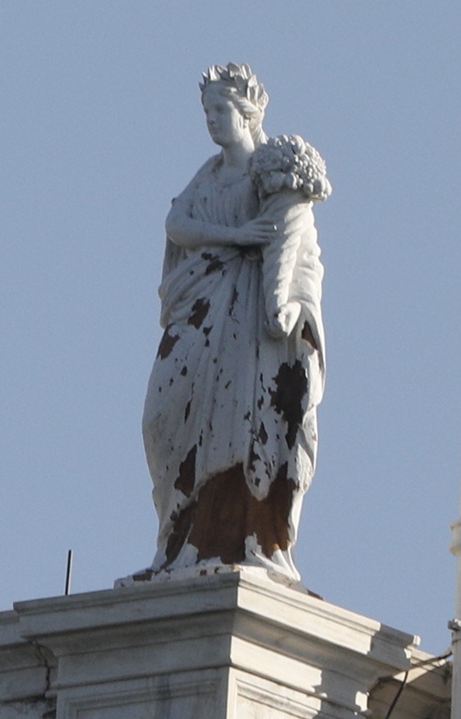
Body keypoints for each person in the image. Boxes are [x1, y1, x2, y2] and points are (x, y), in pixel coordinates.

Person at [139, 64, 329, 586]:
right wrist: (236, 237)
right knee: (161, 420)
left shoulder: (269, 175)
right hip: (199, 316)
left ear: (246, 117)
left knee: (246, 428)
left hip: (247, 329)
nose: (212, 122)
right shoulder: (208, 174)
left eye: (220, 111)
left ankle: (238, 536)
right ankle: (175, 538)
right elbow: (176, 224)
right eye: (207, 113)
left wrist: (287, 306)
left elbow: (295, 247)